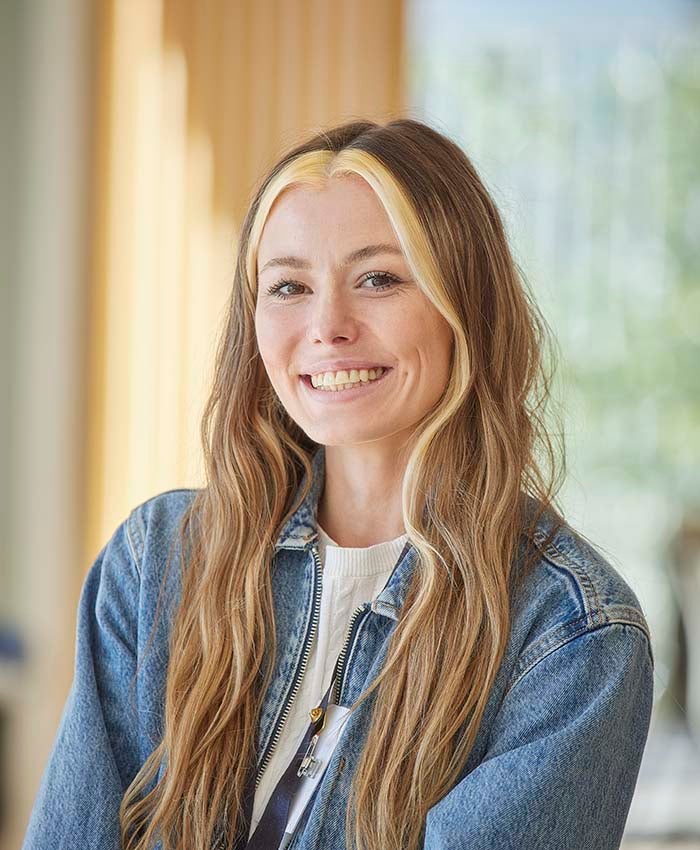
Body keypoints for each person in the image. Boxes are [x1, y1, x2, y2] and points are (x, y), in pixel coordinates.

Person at [22, 118, 655, 850]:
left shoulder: (572, 637)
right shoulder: (156, 563)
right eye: (289, 285)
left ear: (467, 307)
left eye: (378, 279)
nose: (327, 325)